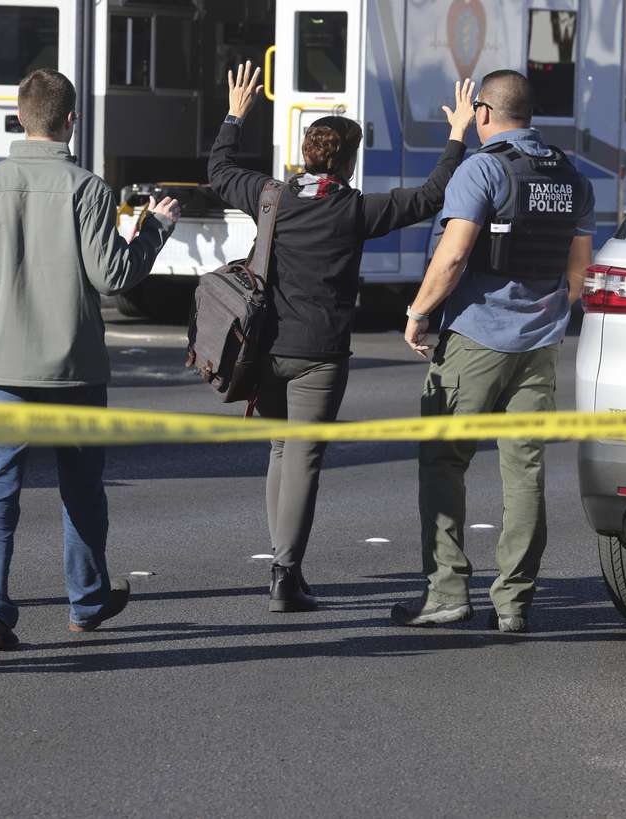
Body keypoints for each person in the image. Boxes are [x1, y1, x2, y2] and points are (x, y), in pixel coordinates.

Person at [208, 62, 476, 613]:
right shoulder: (354, 210)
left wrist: (236, 114)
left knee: (281, 451)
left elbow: (219, 169)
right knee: (304, 457)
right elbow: (430, 196)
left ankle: (282, 566)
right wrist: (456, 135)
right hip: (320, 354)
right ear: (349, 160)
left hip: (266, 347)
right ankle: (286, 576)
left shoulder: (270, 198)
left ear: (306, 153)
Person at [0, 68, 180, 650]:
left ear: (21, 117)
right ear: (71, 120)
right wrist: (155, 231)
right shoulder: (87, 188)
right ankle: (86, 600)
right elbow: (112, 275)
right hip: (74, 364)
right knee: (81, 489)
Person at [391, 70, 595, 632]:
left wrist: (418, 313)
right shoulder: (572, 177)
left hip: (477, 336)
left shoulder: (482, 168)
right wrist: (548, 317)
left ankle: (448, 592)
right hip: (540, 345)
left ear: (483, 113)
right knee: (524, 472)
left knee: (442, 462)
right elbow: (579, 270)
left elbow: (453, 257)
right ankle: (514, 603)